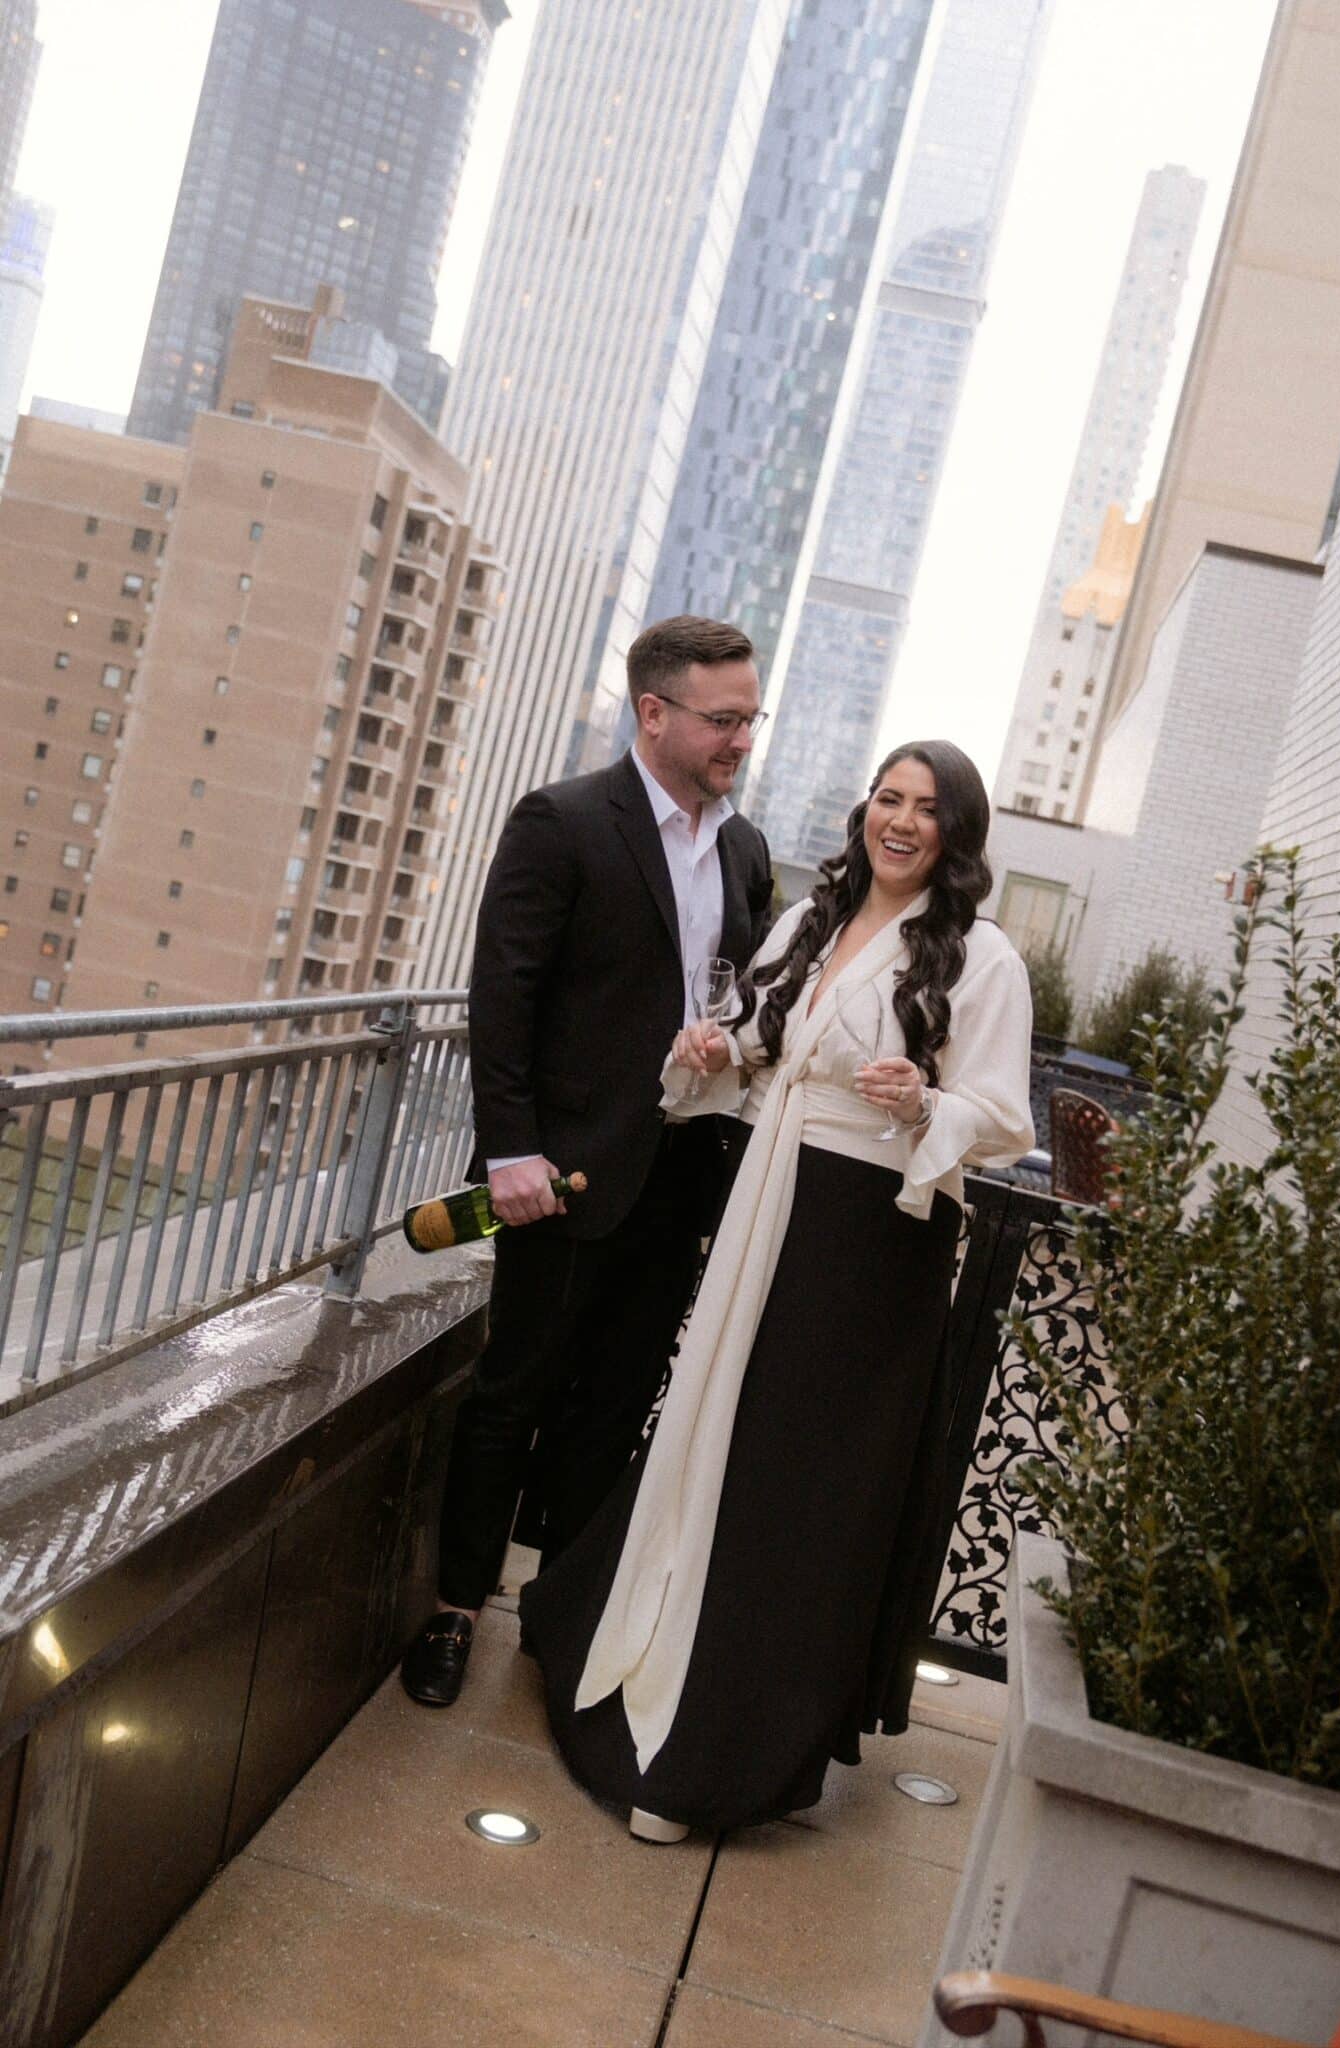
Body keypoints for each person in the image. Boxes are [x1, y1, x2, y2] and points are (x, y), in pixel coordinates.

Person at [519, 740, 1034, 1839]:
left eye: (926, 807)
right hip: (770, 1199)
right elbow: (758, 1041)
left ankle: (725, 1747)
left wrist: (920, 1102)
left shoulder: (983, 960)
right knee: (714, 1431)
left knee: (794, 1478)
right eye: (887, 798)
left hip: (869, 1239)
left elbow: (1001, 1116)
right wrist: (714, 1044)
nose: (899, 819)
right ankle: (631, 1648)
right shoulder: (811, 918)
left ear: (958, 832)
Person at [400, 617, 773, 1708]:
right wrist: (510, 1147)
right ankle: (456, 1611)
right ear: (652, 711)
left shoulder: (745, 849)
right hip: (558, 1179)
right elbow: (502, 993)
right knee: (511, 1394)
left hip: (681, 1180)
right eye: (723, 717)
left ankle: (558, 1622)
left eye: (751, 717)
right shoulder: (561, 820)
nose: (740, 737)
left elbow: (742, 996)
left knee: (613, 1411)